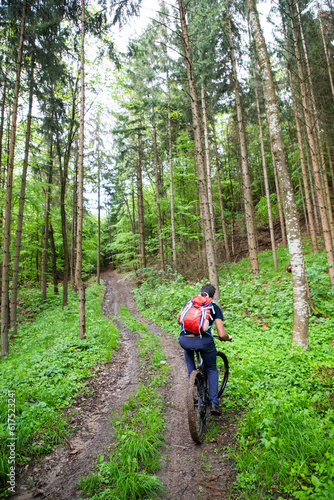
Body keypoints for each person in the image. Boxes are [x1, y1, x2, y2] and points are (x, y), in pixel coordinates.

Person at [177, 283, 232, 415]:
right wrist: (227, 337)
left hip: (185, 340)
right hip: (204, 342)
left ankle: (193, 379)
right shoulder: (214, 307)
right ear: (213, 295)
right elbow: (221, 333)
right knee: (212, 369)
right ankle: (213, 402)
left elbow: (180, 320)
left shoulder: (190, 303)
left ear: (200, 293)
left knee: (188, 350)